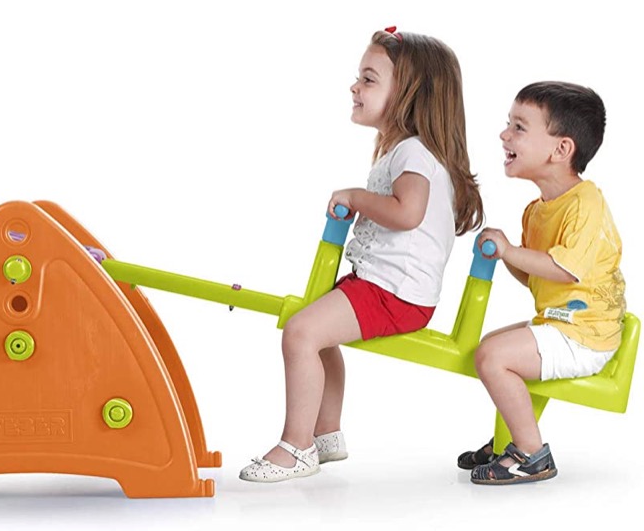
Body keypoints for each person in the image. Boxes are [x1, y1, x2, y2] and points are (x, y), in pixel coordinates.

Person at [240, 27, 484, 482]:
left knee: (300, 334)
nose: (355, 87)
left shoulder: (414, 153)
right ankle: (326, 434)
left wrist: (356, 197)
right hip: (383, 284)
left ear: (410, 94)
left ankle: (296, 446)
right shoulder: (404, 151)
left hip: (394, 292)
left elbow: (407, 212)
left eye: (369, 80)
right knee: (316, 334)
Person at [458, 82, 625, 485]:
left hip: (586, 334)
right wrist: (505, 255)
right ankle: (510, 437)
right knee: (490, 346)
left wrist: (510, 250)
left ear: (561, 149)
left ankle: (531, 454)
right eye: (508, 124)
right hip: (561, 322)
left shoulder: (586, 203)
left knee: (494, 356)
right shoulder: (536, 211)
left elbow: (564, 270)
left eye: (519, 127)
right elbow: (536, 274)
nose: (504, 135)